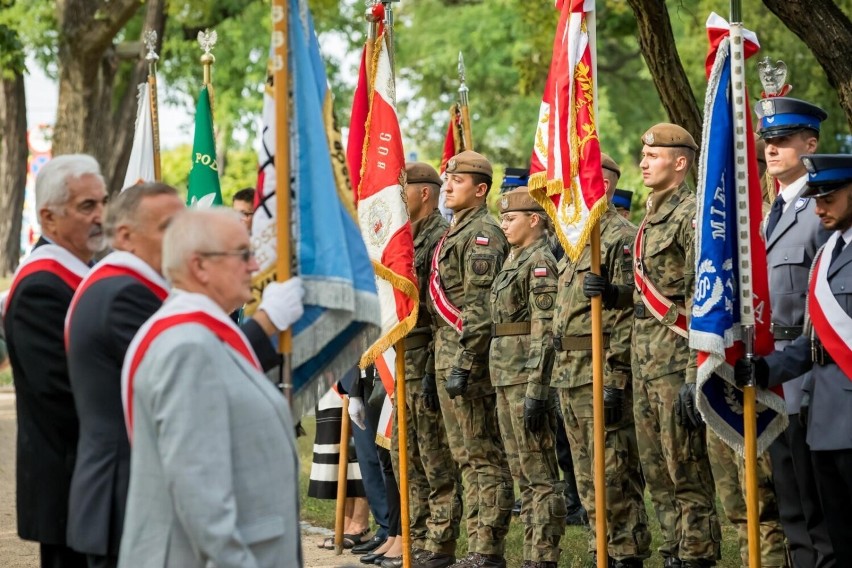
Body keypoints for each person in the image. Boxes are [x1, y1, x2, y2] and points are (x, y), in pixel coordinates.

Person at [64, 183, 303, 567]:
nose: (255, 265)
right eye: (243, 254)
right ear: (199, 266)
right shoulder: (186, 346)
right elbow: (202, 496)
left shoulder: (191, 331)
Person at [587, 125, 720, 567]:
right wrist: (614, 293)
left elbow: (700, 298)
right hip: (645, 362)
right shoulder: (650, 217)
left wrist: (691, 375)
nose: (643, 162)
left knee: (685, 471)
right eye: (643, 153)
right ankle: (673, 552)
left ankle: (697, 554)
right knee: (657, 473)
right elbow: (646, 297)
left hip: (674, 361)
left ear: (680, 163)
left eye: (654, 155)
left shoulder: (689, 215)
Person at [735, 154, 852, 567]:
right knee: (830, 527)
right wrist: (768, 370)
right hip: (822, 410)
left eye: (831, 197)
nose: (820, 207)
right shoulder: (826, 256)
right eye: (816, 197)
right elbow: (813, 338)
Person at [4, 154, 108, 568]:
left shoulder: (83, 271)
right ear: (48, 218)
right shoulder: (41, 287)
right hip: (71, 486)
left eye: (103, 202)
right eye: (87, 206)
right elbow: (63, 394)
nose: (101, 215)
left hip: (91, 481)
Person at [755, 97, 835, 568]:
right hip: (771, 366)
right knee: (787, 493)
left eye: (783, 140)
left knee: (816, 495)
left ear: (810, 144)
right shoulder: (770, 210)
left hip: (812, 366)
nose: (772, 149)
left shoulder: (823, 207)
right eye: (768, 141)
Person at [562, 154, 650, 568]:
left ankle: (627, 552)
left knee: (613, 468)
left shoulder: (620, 236)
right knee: (586, 473)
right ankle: (603, 547)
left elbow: (627, 314)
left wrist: (615, 378)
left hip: (601, 367)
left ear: (605, 185)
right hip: (571, 372)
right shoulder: (578, 239)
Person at [428, 150, 512, 568]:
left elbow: (479, 309)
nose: (447, 185)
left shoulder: (483, 234)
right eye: (447, 179)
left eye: (457, 181)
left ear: (480, 190)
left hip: (470, 362)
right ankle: (472, 546)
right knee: (464, 457)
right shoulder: (455, 232)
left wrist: (464, 362)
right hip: (447, 358)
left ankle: (486, 549)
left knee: (483, 456)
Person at [490, 187, 564, 568]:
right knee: (521, 469)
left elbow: (543, 329)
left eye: (510, 218)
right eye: (501, 218)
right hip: (505, 375)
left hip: (524, 378)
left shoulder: (539, 262)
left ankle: (543, 556)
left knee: (539, 472)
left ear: (534, 220)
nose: (503, 224)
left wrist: (537, 387)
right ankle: (531, 553)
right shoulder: (512, 259)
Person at [391, 162, 459, 568]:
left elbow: (441, 315)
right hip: (403, 358)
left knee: (435, 458)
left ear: (425, 193)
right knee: (406, 454)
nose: (399, 196)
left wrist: (436, 368)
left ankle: (440, 542)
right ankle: (414, 537)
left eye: (406, 189)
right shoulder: (404, 239)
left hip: (427, 356)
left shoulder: (439, 238)